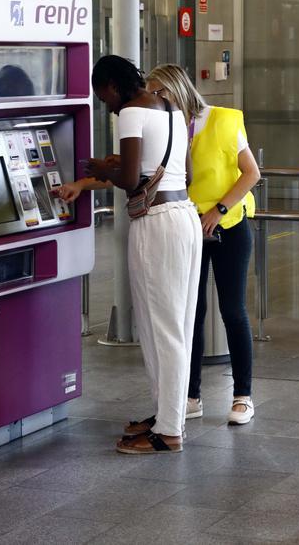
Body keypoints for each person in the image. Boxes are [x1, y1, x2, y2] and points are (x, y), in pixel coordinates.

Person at [56, 55, 202, 455]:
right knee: (173, 325)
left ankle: (170, 430)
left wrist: (101, 167)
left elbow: (129, 178)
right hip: (184, 215)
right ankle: (164, 413)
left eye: (104, 97)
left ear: (114, 86)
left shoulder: (131, 114)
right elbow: (184, 171)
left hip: (157, 224)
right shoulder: (171, 107)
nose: (106, 105)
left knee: (163, 328)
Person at [147, 64, 261, 426]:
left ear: (175, 91)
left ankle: (243, 395)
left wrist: (219, 209)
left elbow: (251, 173)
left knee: (232, 311)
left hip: (228, 225)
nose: (154, 101)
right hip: (188, 229)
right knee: (189, 315)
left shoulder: (224, 120)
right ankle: (192, 395)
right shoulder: (167, 125)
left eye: (158, 94)